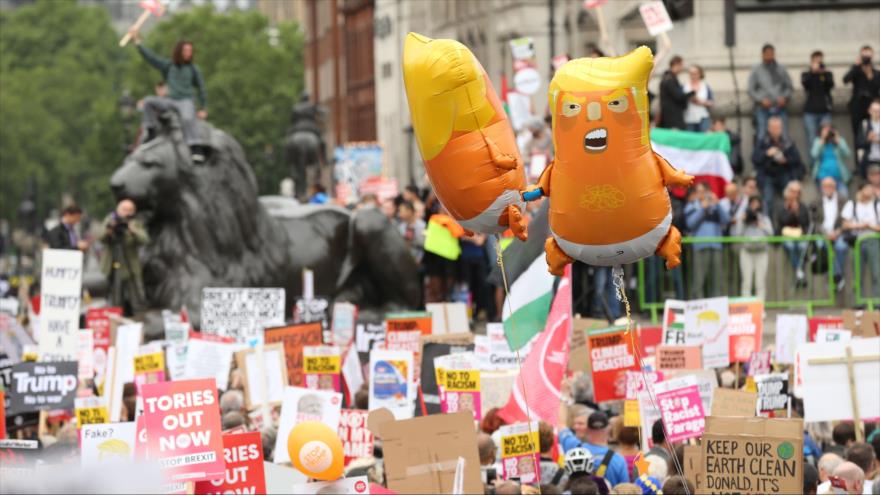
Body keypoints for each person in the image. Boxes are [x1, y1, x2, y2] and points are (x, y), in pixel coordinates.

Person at [129, 29, 208, 161]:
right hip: (170, 100)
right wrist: (137, 42)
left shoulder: (193, 69)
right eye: (186, 50)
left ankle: (195, 146)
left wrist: (203, 108)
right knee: (148, 101)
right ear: (179, 52)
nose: (189, 53)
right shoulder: (169, 66)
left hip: (185, 100)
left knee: (188, 117)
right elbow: (151, 58)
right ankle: (151, 131)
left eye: (190, 51)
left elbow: (201, 88)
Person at [100, 199, 148, 316]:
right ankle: (116, 317)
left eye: (130, 210)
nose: (127, 213)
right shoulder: (110, 220)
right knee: (115, 295)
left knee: (136, 294)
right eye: (124, 209)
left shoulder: (135, 223)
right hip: (114, 264)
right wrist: (109, 231)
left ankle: (139, 317)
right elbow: (101, 238)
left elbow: (145, 240)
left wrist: (132, 231)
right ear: (118, 210)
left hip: (130, 265)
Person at [559, 411, 628, 487]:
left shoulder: (574, 448)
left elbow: (562, 427)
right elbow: (625, 489)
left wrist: (563, 401)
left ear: (587, 429)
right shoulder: (618, 460)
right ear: (608, 429)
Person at [753, 116, 804, 216]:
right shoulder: (763, 141)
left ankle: (791, 222)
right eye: (774, 127)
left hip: (784, 173)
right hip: (768, 174)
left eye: (778, 127)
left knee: (792, 197)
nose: (776, 130)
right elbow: (755, 158)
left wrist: (785, 160)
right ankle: (768, 227)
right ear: (768, 128)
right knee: (768, 200)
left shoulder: (787, 141)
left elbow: (796, 159)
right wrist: (766, 153)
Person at [685, 181, 729, 298]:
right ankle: (698, 308)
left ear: (708, 192)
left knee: (717, 279)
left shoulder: (716, 206)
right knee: (699, 280)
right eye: (698, 191)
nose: (700, 194)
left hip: (716, 246)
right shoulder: (692, 205)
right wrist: (702, 209)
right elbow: (690, 223)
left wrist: (718, 204)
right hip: (700, 246)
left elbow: (726, 220)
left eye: (703, 191)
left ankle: (717, 308)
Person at [842, 181, 880, 299]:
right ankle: (859, 301)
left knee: (877, 272)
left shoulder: (877, 204)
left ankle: (877, 301)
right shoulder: (852, 204)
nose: (869, 191)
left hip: (873, 240)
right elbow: (845, 224)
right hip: (857, 241)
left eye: (871, 188)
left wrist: (870, 226)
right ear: (860, 190)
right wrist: (860, 226)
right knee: (857, 273)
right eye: (867, 188)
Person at [748, 43, 793, 141]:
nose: (770, 55)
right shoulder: (756, 69)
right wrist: (761, 100)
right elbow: (751, 90)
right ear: (762, 54)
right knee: (762, 135)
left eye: (772, 53)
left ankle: (784, 156)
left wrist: (784, 97)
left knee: (784, 135)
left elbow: (789, 87)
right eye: (767, 53)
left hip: (780, 107)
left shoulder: (781, 68)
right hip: (763, 108)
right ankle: (760, 156)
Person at [733, 195, 773, 299]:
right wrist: (742, 221)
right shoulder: (744, 217)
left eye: (757, 203)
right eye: (752, 203)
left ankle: (760, 307)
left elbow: (771, 234)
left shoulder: (764, 218)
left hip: (762, 252)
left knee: (760, 281)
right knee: (747, 281)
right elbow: (737, 234)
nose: (755, 205)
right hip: (747, 252)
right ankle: (747, 307)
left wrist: (761, 225)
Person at [814, 177, 850, 290]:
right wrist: (826, 234)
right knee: (823, 246)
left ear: (835, 187)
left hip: (839, 232)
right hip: (823, 234)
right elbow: (815, 222)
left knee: (841, 246)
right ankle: (838, 276)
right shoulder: (816, 201)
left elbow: (847, 219)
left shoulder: (843, 200)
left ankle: (834, 277)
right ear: (821, 187)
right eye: (825, 186)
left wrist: (837, 232)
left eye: (830, 186)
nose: (828, 188)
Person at [776, 180, 811, 286]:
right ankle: (799, 271)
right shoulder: (782, 206)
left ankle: (799, 272)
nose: (795, 194)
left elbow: (805, 222)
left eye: (797, 192)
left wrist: (798, 212)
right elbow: (782, 221)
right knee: (790, 246)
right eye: (793, 191)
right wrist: (792, 212)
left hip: (800, 235)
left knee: (801, 246)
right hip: (786, 235)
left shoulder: (803, 206)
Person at [802, 50, 835, 156]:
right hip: (810, 112)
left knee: (827, 138)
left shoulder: (827, 74)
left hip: (825, 111)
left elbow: (830, 85)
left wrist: (823, 73)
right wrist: (812, 72)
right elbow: (805, 84)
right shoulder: (806, 74)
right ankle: (814, 167)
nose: (818, 62)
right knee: (812, 139)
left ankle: (826, 164)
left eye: (820, 60)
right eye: (815, 60)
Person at [845, 46, 880, 144]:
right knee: (857, 134)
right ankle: (859, 157)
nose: (866, 58)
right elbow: (845, 80)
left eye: (868, 55)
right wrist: (855, 66)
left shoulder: (876, 73)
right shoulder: (856, 71)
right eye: (864, 55)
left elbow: (877, 87)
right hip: (857, 106)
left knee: (875, 131)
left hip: (873, 107)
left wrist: (870, 76)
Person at [812, 119, 853, 196]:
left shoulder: (839, 140)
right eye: (825, 129)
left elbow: (848, 154)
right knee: (825, 199)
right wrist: (823, 140)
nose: (828, 131)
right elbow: (814, 155)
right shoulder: (818, 141)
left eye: (829, 129)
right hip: (823, 177)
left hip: (839, 177)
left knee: (844, 196)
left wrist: (838, 141)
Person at [658, 56, 693, 130]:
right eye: (681, 65)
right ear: (677, 64)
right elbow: (678, 96)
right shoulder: (670, 79)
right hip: (672, 117)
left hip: (669, 116)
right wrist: (692, 93)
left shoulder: (667, 77)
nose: (682, 68)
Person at [683, 64, 713, 132]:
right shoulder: (685, 86)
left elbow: (711, 102)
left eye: (695, 73)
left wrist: (701, 102)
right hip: (688, 118)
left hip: (703, 118)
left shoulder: (705, 86)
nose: (693, 76)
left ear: (700, 74)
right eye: (691, 74)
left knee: (704, 139)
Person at [858, 100, 880, 179]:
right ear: (869, 111)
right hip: (870, 160)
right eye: (874, 111)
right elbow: (859, 143)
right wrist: (868, 139)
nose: (876, 113)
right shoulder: (865, 124)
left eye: (878, 111)